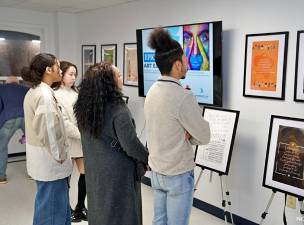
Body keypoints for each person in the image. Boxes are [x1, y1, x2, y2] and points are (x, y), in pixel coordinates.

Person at [144, 27, 211, 225]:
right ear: (176, 65)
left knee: (159, 222)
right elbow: (204, 135)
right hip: (178, 174)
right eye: (184, 59)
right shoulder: (183, 96)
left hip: (157, 171)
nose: (188, 63)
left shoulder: (152, 91)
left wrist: (187, 132)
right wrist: (189, 134)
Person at [74, 62, 149, 225]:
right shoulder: (118, 109)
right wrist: (147, 158)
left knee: (100, 211)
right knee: (123, 214)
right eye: (119, 75)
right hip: (118, 175)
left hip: (95, 170)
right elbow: (130, 144)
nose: (122, 79)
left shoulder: (84, 106)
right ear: (109, 82)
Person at [22, 53, 73, 225]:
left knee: (52, 207)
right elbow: (49, 131)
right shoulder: (44, 95)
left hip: (45, 161)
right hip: (51, 163)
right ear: (48, 69)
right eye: (58, 67)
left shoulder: (36, 90)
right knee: (52, 213)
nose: (61, 71)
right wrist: (59, 155)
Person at [53, 61, 87, 222]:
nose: (73, 77)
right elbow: (64, 123)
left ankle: (80, 207)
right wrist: (82, 134)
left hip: (81, 141)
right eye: (70, 74)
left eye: (75, 74)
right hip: (67, 142)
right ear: (62, 74)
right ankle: (66, 209)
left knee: (85, 173)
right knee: (65, 178)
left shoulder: (77, 93)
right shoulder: (55, 94)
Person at [0, 76, 29, 184]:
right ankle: (33, 174)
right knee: (32, 146)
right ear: (17, 82)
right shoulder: (25, 89)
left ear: (6, 82)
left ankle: (1, 177)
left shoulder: (2, 88)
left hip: (9, 117)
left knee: (1, 146)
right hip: (26, 117)